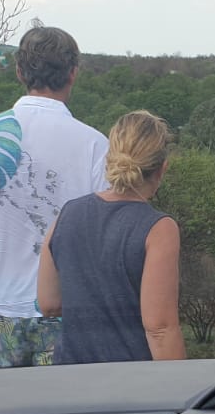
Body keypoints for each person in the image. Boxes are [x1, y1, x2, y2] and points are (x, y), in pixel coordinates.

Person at [0, 26, 109, 368]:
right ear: (73, 73)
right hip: (68, 310)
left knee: (2, 404)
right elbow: (105, 237)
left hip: (1, 311)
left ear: (19, 71)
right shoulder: (95, 144)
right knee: (64, 404)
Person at [37, 111, 185, 364]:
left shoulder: (67, 213)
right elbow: (160, 329)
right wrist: (183, 383)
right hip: (130, 379)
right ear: (162, 169)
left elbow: (48, 303)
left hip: (68, 375)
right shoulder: (159, 229)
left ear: (110, 160)